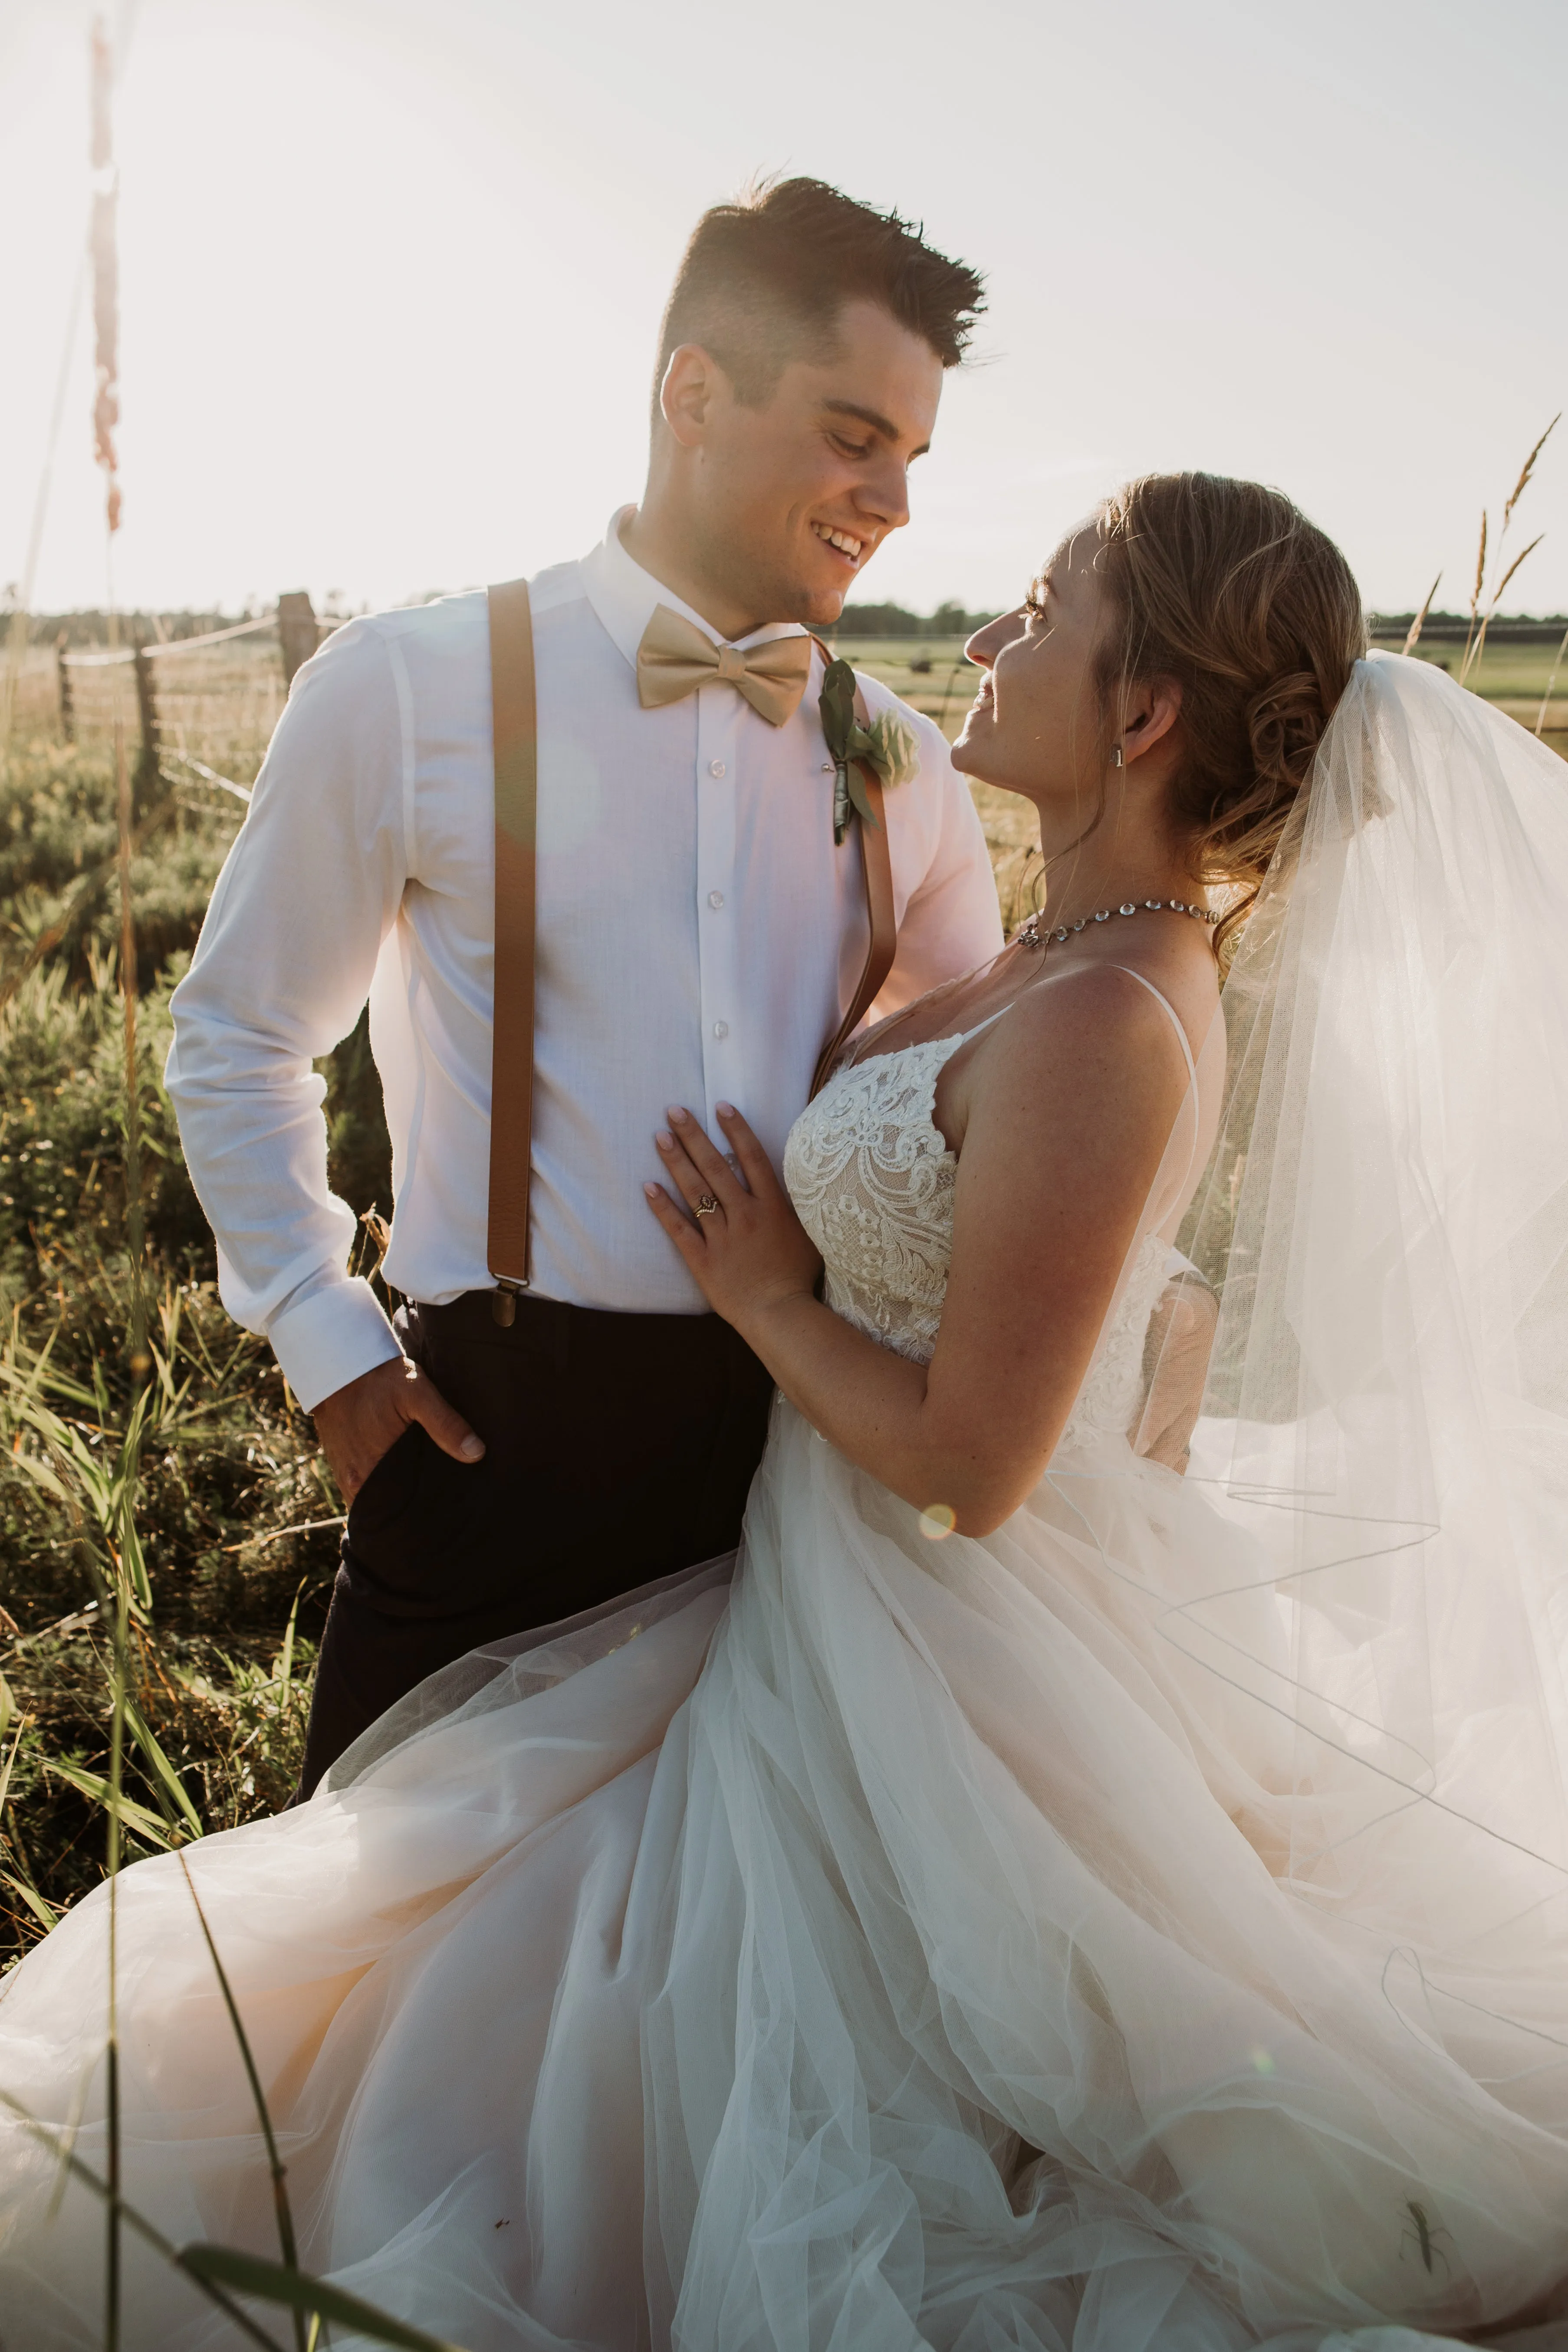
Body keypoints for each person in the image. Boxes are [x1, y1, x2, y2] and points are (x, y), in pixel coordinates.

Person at [7, 473, 1568, 2352]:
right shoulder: (1045, 959)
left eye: (1048, 605)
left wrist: (755, 1290)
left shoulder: (1104, 1014)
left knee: (757, 2051)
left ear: (1144, 712)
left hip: (934, 1634)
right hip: (812, 1581)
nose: (988, 633)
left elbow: (974, 1468)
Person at [160, 177, 1003, 1796]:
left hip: (789, 1462)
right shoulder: (413, 686)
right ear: (693, 391)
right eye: (851, 434)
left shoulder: (901, 765)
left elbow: (966, 1116)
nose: (889, 495)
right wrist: (328, 1343)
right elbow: (241, 1031)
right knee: (381, 1983)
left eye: (910, 453)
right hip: (487, 1436)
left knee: (701, 1997)